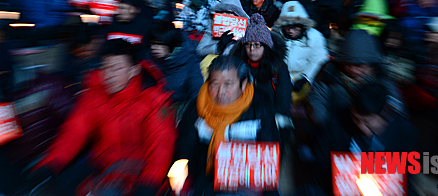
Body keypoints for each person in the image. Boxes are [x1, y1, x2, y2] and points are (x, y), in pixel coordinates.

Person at [29, 40, 177, 196]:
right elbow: (74, 132)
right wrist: (51, 164)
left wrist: (149, 183)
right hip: (102, 163)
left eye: (117, 68)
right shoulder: (94, 95)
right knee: (56, 187)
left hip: (140, 168)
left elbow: (161, 146)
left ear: (134, 71)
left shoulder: (154, 100)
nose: (109, 75)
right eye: (105, 67)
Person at [174, 56, 280, 195]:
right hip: (203, 175)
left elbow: (268, 149)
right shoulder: (198, 107)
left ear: (243, 84)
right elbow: (186, 146)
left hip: (245, 181)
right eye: (214, 84)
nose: (220, 92)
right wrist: (180, 171)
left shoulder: (260, 108)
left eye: (228, 84)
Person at [231, 14, 292, 120]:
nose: (252, 49)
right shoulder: (237, 65)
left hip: (270, 116)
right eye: (248, 45)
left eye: (257, 45)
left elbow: (283, 103)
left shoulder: (278, 68)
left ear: (266, 46)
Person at [273, 1, 329, 103]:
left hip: (301, 77)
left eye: (295, 27)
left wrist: (306, 78)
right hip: (278, 76)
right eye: (287, 27)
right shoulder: (276, 36)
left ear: (302, 25)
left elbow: (318, 60)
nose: (291, 31)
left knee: (291, 98)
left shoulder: (314, 37)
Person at [150, 28, 204, 103]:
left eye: (160, 44)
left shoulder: (190, 64)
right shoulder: (149, 58)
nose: (153, 47)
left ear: (171, 44)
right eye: (152, 43)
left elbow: (197, 96)